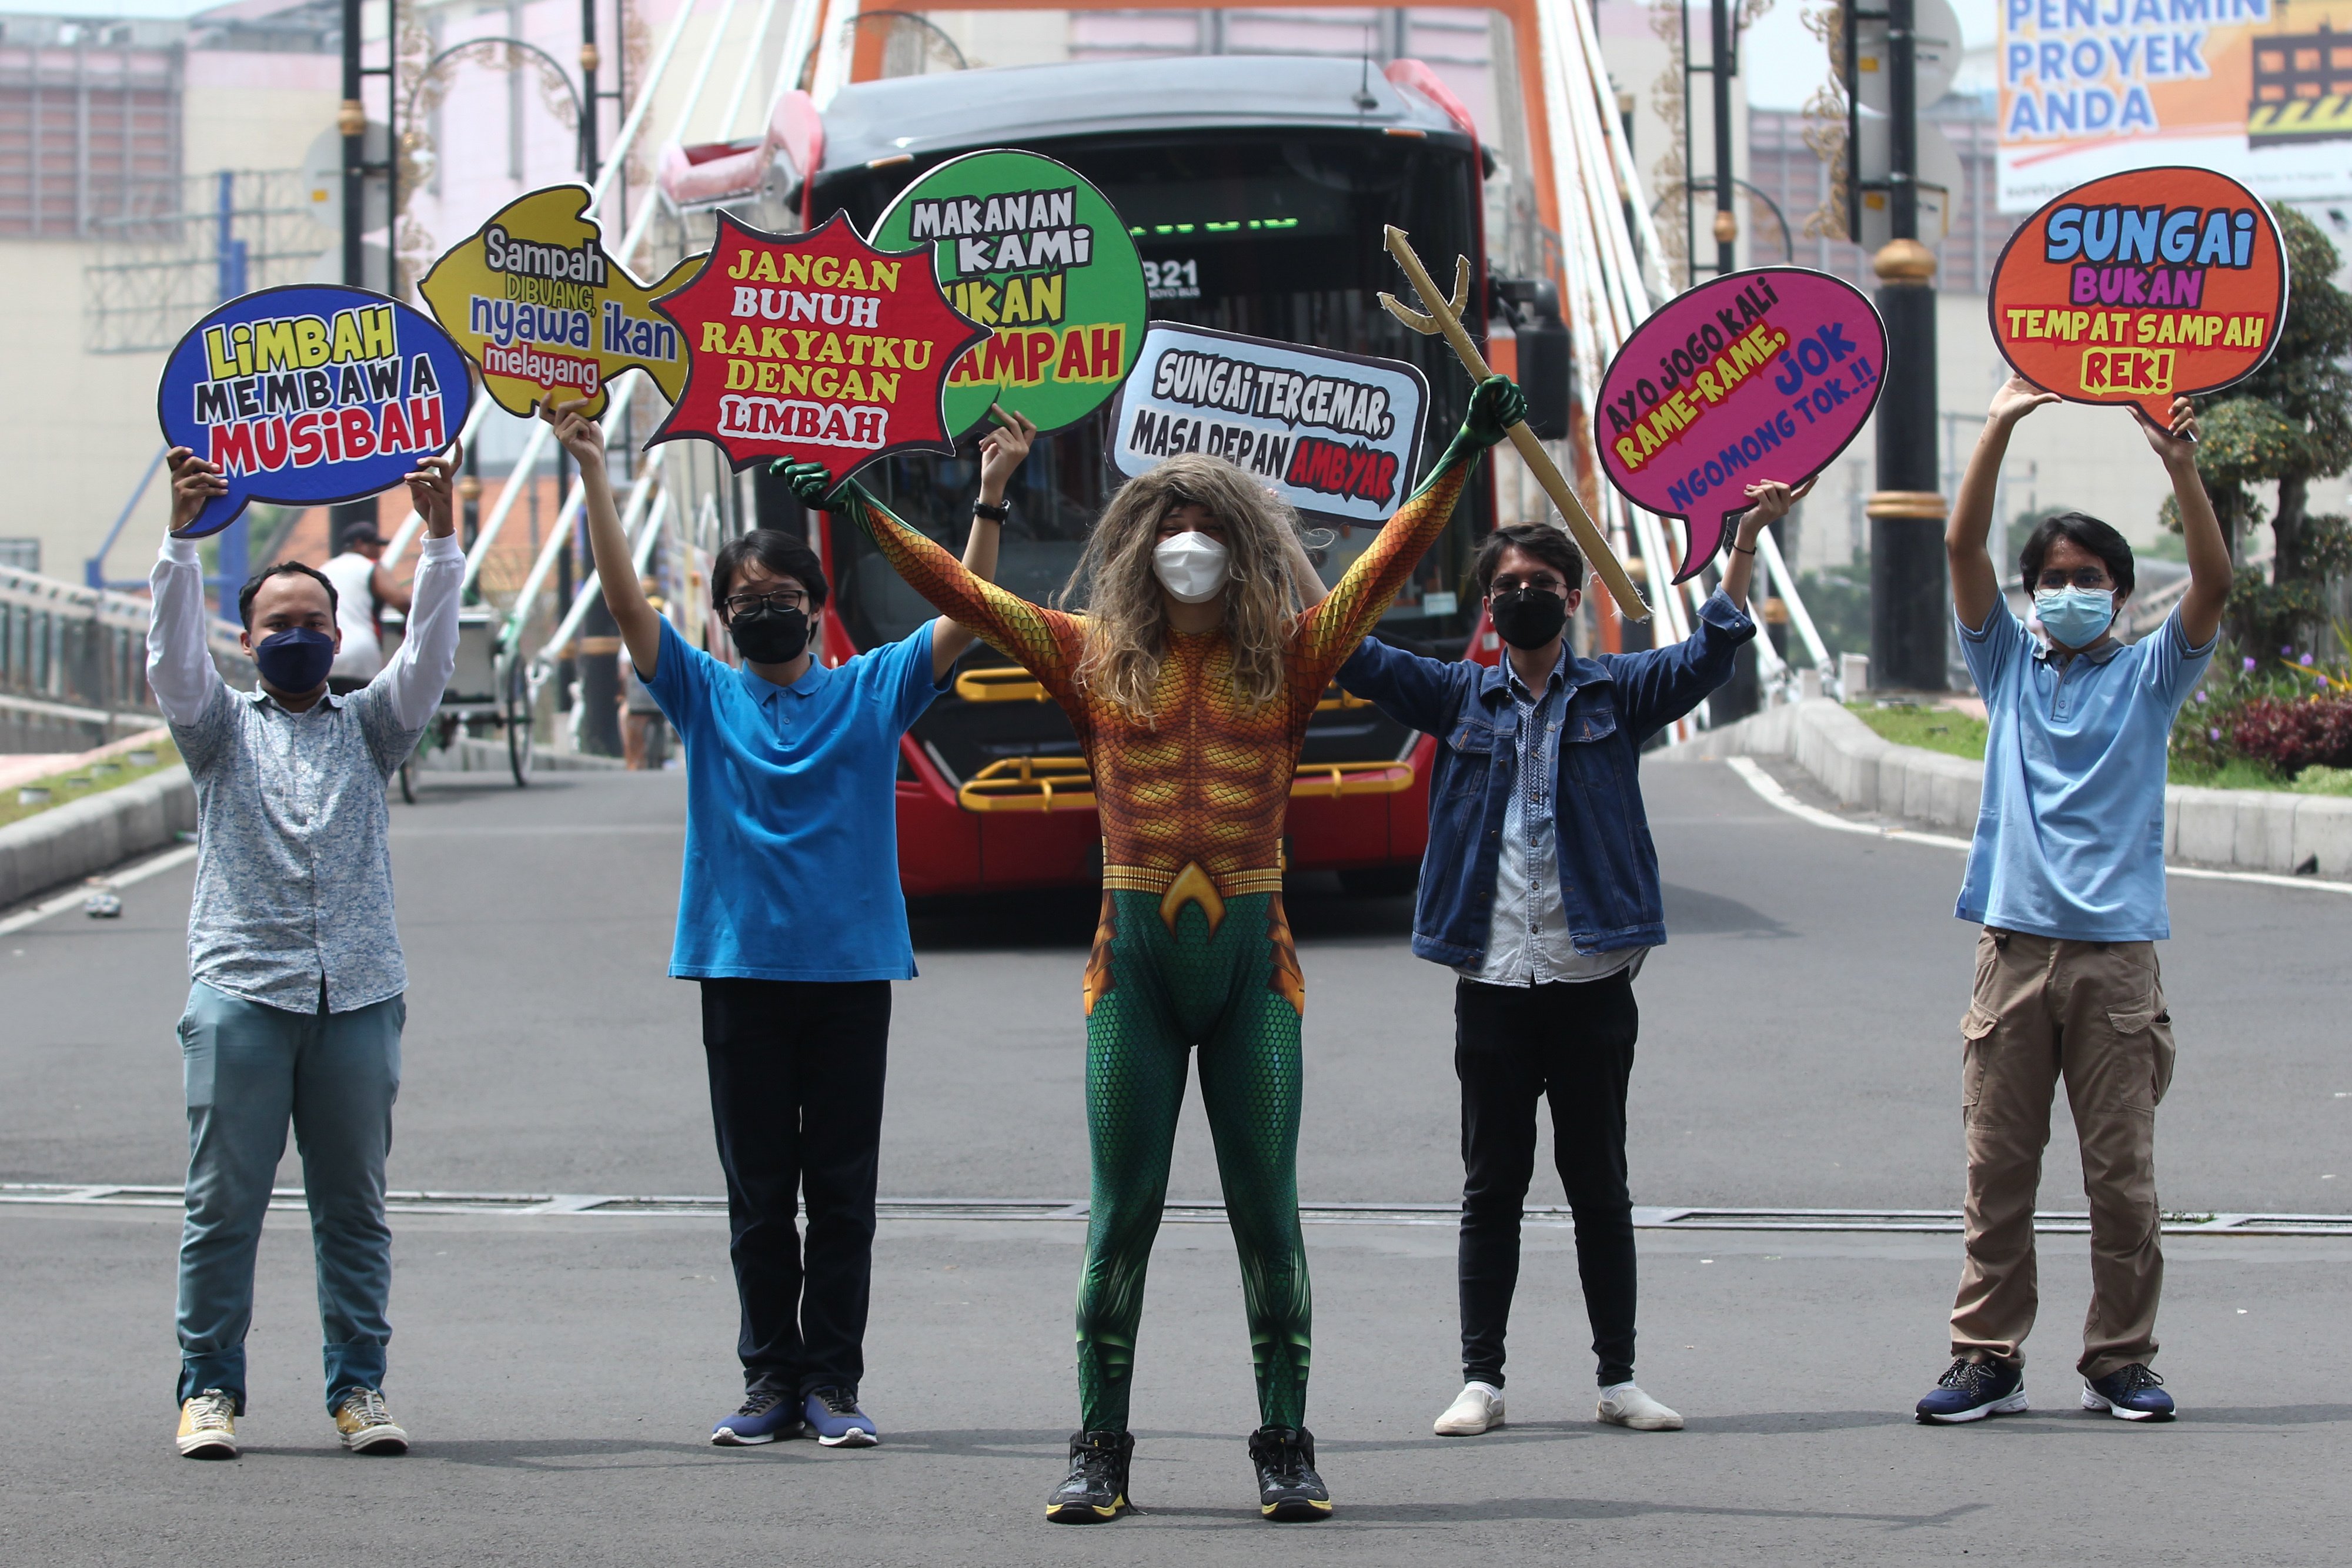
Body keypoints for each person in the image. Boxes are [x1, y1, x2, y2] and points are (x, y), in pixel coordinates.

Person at [781, 375, 1529, 1525]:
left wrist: (1466, 451)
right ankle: (1099, 1450)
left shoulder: (1290, 652)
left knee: (1267, 1220)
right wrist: (854, 503)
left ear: (1245, 548)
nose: (1189, 545)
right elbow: (961, 589)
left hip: (1253, 970)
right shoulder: (1085, 657)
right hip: (1128, 969)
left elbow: (1385, 561)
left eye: (1210, 529)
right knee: (1115, 1219)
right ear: (1136, 547)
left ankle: (1285, 1444)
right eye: (1169, 527)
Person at [550, 396, 1035, 1450]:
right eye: (742, 599)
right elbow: (631, 606)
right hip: (739, 974)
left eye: (780, 594)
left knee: (843, 1196)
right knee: (761, 1197)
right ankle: (770, 1379)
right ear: (721, 617)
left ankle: (834, 1385)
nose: (761, 609)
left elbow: (967, 605)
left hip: (852, 976)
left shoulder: (873, 689)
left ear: (816, 606)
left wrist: (992, 491)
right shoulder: (701, 693)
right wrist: (592, 467)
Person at [1332, 482, 1797, 1443]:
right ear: (1487, 604)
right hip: (1493, 983)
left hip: (1591, 986)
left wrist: (1744, 542)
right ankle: (1480, 1381)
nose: (1524, 595)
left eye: (1543, 581)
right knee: (1490, 1186)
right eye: (1508, 584)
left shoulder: (1616, 693)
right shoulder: (1456, 695)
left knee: (1600, 1184)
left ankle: (1619, 1377)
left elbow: (1713, 645)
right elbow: (1347, 648)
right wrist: (1309, 552)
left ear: (1572, 598)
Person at [1913, 379, 2227, 1425]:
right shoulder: (2007, 665)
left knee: (2122, 1180)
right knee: (1996, 1171)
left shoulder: (2149, 677)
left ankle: (2120, 1357)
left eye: (2088, 577)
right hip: (2014, 954)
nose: (2068, 590)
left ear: (2123, 593)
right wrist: (1999, 423)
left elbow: (2215, 586)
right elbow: (1961, 553)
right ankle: (1986, 1354)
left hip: (2117, 960)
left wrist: (2178, 464)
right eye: (2051, 578)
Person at [151, 443, 462, 1460]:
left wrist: (445, 534)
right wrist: (181, 539)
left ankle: (360, 1389)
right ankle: (208, 1390)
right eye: (276, 625)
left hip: (358, 997)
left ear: (340, 638)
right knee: (223, 1205)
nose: (295, 637)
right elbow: (169, 660)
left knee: (354, 1211)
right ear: (245, 641)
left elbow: (431, 656)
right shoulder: (216, 733)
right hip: (241, 991)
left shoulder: (372, 730)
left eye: (312, 625)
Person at [319, 525, 413, 695]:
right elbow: (403, 603)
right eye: (376, 545)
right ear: (359, 543)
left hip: (325, 655)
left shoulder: (324, 570)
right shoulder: (370, 567)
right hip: (361, 658)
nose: (379, 551)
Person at [619, 575, 667, 770]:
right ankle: (635, 756)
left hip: (646, 693)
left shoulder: (634, 637)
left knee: (624, 716)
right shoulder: (670, 637)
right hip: (650, 692)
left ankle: (633, 756)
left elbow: (624, 669)